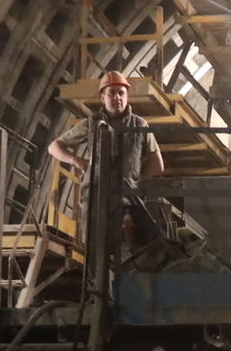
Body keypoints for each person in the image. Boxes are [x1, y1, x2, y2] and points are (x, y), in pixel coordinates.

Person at [49, 70, 164, 250]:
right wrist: (76, 160)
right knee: (95, 251)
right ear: (102, 97)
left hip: (128, 201)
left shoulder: (140, 125)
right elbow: (54, 147)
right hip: (95, 199)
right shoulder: (91, 124)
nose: (117, 97)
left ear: (127, 96)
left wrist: (133, 182)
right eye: (112, 93)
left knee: (132, 252)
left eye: (121, 93)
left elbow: (157, 165)